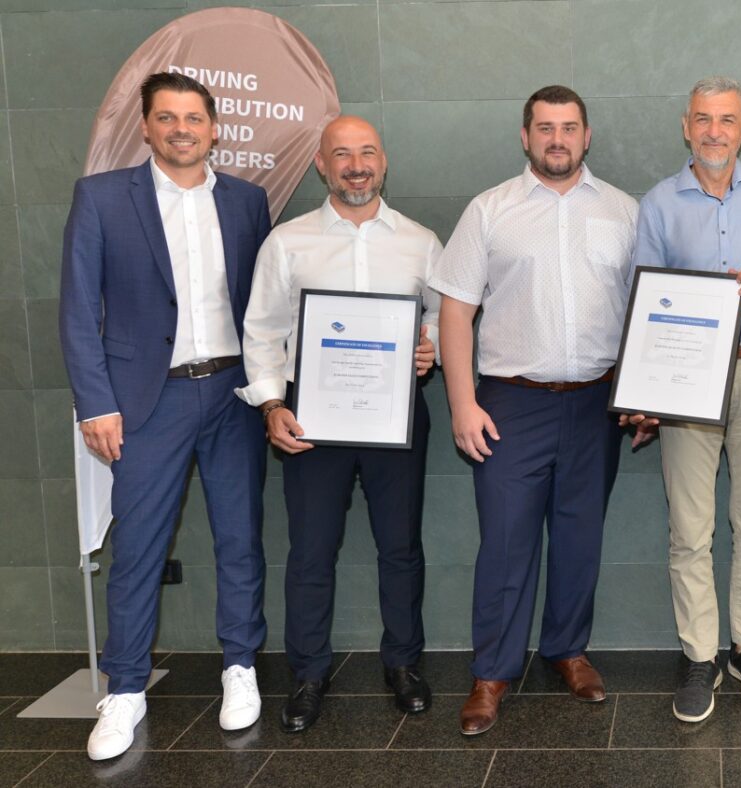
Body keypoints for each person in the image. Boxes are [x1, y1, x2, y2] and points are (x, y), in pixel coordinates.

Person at [59, 72, 270, 760]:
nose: (182, 129)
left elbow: (266, 304)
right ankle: (124, 689)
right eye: (168, 117)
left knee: (239, 538)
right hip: (147, 400)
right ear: (146, 127)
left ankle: (240, 666)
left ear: (215, 129)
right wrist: (96, 402)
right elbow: (77, 309)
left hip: (234, 395)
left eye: (194, 118)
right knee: (138, 549)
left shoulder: (247, 201)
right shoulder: (101, 198)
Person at [430, 85, 638, 736]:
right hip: (510, 402)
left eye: (569, 127)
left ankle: (567, 650)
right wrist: (461, 403)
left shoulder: (623, 211)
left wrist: (645, 395)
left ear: (587, 135)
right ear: (525, 136)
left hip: (597, 402)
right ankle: (492, 672)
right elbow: (455, 311)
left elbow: (647, 309)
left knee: (579, 537)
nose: (557, 139)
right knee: (505, 541)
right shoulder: (490, 210)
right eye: (545, 127)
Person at [238, 116, 441, 732]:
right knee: (311, 551)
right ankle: (307, 674)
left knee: (401, 547)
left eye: (367, 152)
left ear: (384, 161)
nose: (357, 166)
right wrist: (272, 406)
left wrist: (429, 347)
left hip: (395, 414)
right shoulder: (288, 242)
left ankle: (403, 664)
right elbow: (262, 331)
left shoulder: (421, 242)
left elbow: (442, 319)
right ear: (322, 165)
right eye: (342, 154)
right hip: (311, 419)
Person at [623, 75, 741, 723]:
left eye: (726, 120)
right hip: (684, 381)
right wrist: (645, 389)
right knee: (690, 528)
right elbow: (642, 297)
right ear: (685, 127)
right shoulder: (659, 203)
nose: (714, 131)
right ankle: (699, 655)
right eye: (702, 119)